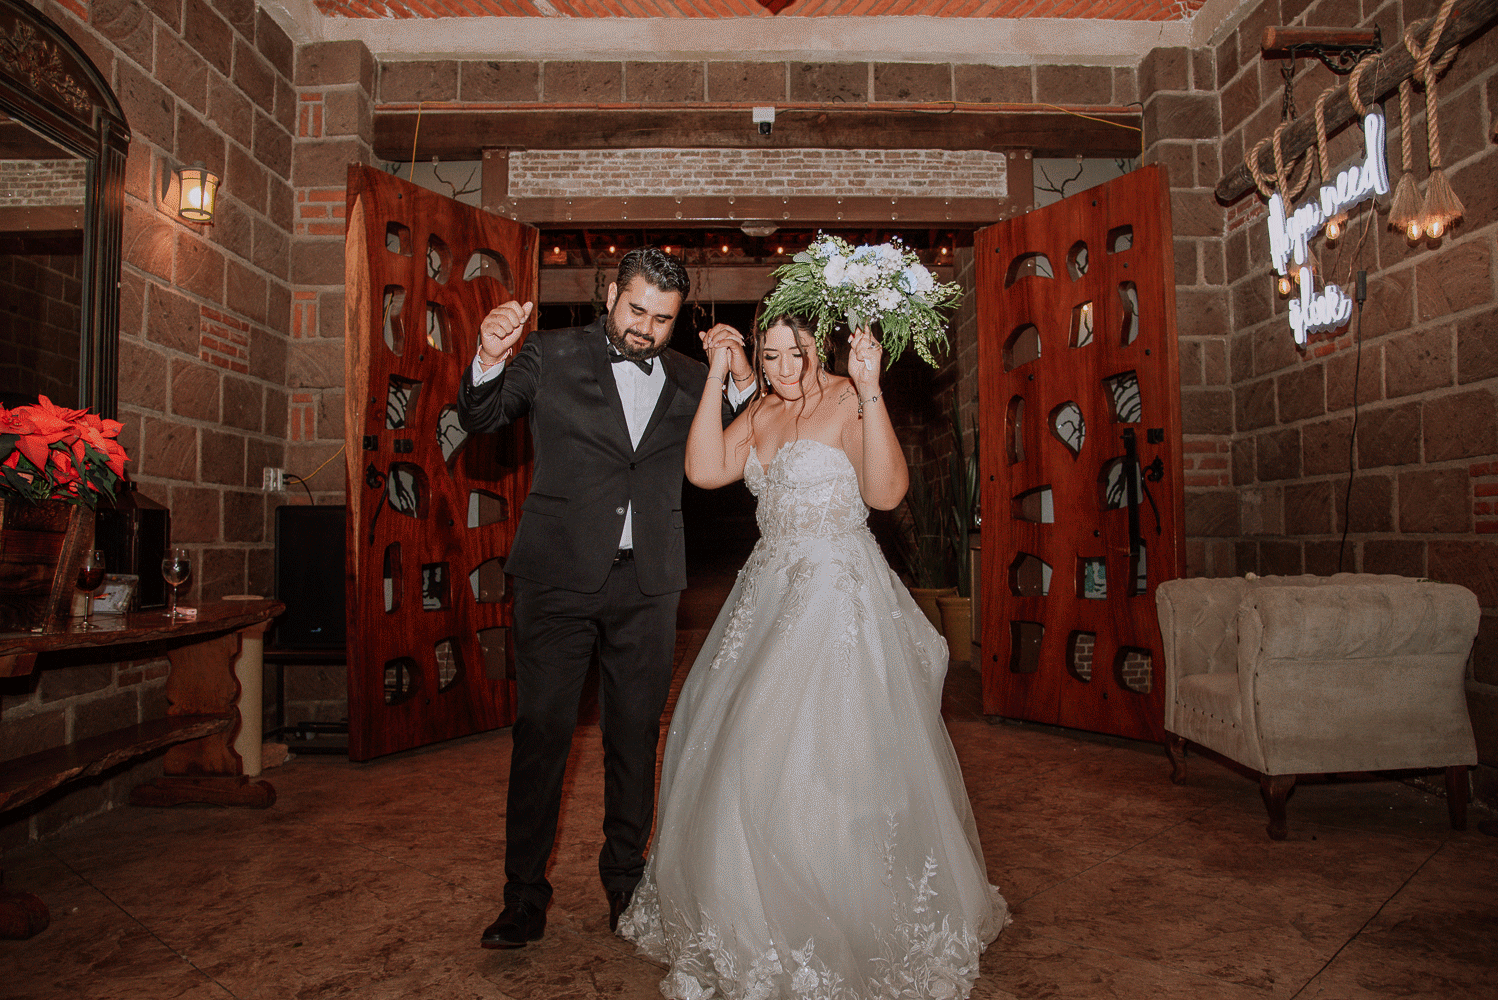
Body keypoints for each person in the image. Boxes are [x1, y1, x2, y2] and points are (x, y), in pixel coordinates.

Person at [617, 311, 1008, 999]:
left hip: (837, 596)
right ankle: (761, 915)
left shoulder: (847, 400)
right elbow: (705, 469)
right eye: (767, 357)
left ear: (817, 348)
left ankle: (850, 911)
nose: (780, 368)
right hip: (767, 593)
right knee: (745, 749)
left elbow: (886, 492)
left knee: (833, 756)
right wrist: (717, 374)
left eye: (792, 353)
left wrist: (871, 387)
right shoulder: (763, 412)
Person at [458, 248, 755, 949]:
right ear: (610, 295)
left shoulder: (690, 377)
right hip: (556, 577)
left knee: (632, 741)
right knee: (542, 738)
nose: (646, 328)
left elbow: (750, 432)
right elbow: (482, 415)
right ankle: (522, 899)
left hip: (648, 583)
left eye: (663, 318)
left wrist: (739, 375)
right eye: (636, 310)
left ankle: (626, 885)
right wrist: (487, 356)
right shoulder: (550, 355)